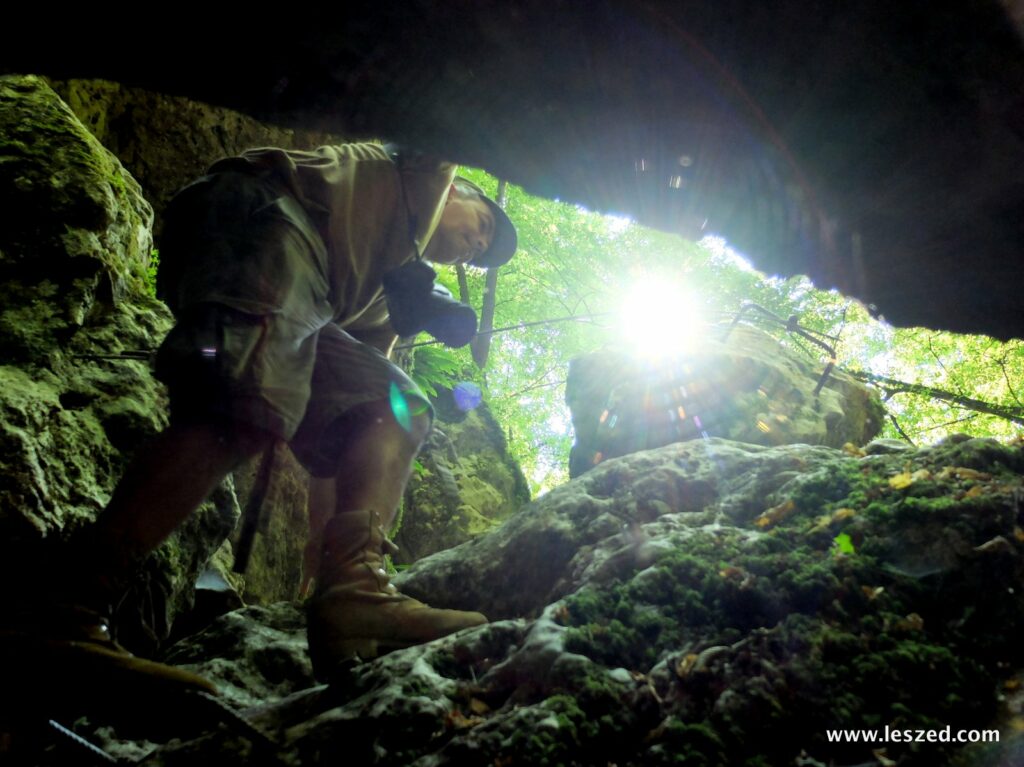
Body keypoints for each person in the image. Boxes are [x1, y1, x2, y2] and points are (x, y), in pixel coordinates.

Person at [37, 142, 517, 689]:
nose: (476, 245)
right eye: (481, 224)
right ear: (455, 190)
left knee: (393, 408)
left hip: (311, 298)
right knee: (246, 404)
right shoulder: (426, 170)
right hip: (262, 215)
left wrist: (324, 558)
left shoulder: (385, 305)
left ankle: (354, 596)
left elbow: (345, 426)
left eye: (479, 254)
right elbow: (447, 117)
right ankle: (62, 612)